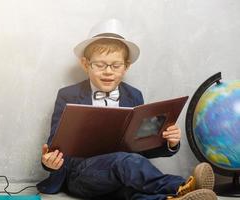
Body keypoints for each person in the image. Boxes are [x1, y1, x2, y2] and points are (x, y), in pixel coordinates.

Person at [36, 19, 217, 200]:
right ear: (85, 64)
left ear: (126, 67)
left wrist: (170, 142)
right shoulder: (68, 95)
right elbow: (56, 144)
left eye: (116, 66)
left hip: (122, 175)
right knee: (125, 162)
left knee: (130, 192)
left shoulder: (134, 96)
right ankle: (182, 185)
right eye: (100, 65)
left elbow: (144, 147)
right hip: (81, 175)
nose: (108, 71)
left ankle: (173, 199)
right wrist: (49, 162)